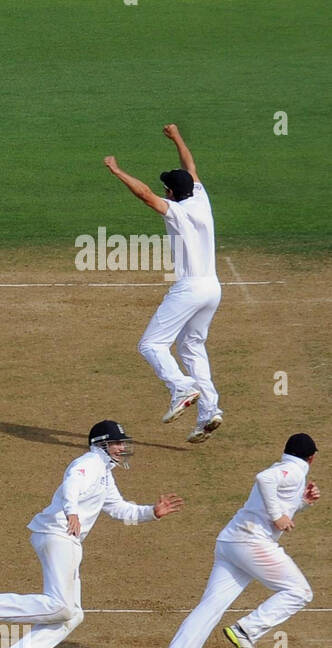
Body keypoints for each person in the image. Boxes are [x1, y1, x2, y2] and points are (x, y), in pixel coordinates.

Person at [0, 421, 184, 648]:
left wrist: (152, 513)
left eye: (123, 443)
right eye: (116, 443)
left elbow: (119, 508)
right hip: (59, 534)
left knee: (72, 615)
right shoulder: (89, 464)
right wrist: (72, 512)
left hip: (64, 538)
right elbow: (71, 483)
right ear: (101, 445)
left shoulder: (104, 473)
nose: (122, 447)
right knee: (61, 606)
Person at [150, 434, 320, 648]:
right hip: (253, 543)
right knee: (300, 592)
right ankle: (247, 631)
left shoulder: (285, 468)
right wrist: (277, 516)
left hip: (231, 543)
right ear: (312, 458)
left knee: (209, 609)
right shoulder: (294, 471)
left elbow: (272, 497)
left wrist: (302, 503)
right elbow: (264, 480)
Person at [104, 124, 223, 443]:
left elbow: (144, 194)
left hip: (190, 288)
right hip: (212, 288)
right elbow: (191, 167)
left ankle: (181, 387)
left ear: (171, 192)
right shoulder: (200, 198)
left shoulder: (177, 212)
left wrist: (117, 171)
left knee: (151, 344)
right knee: (192, 346)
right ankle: (209, 409)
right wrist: (177, 137)